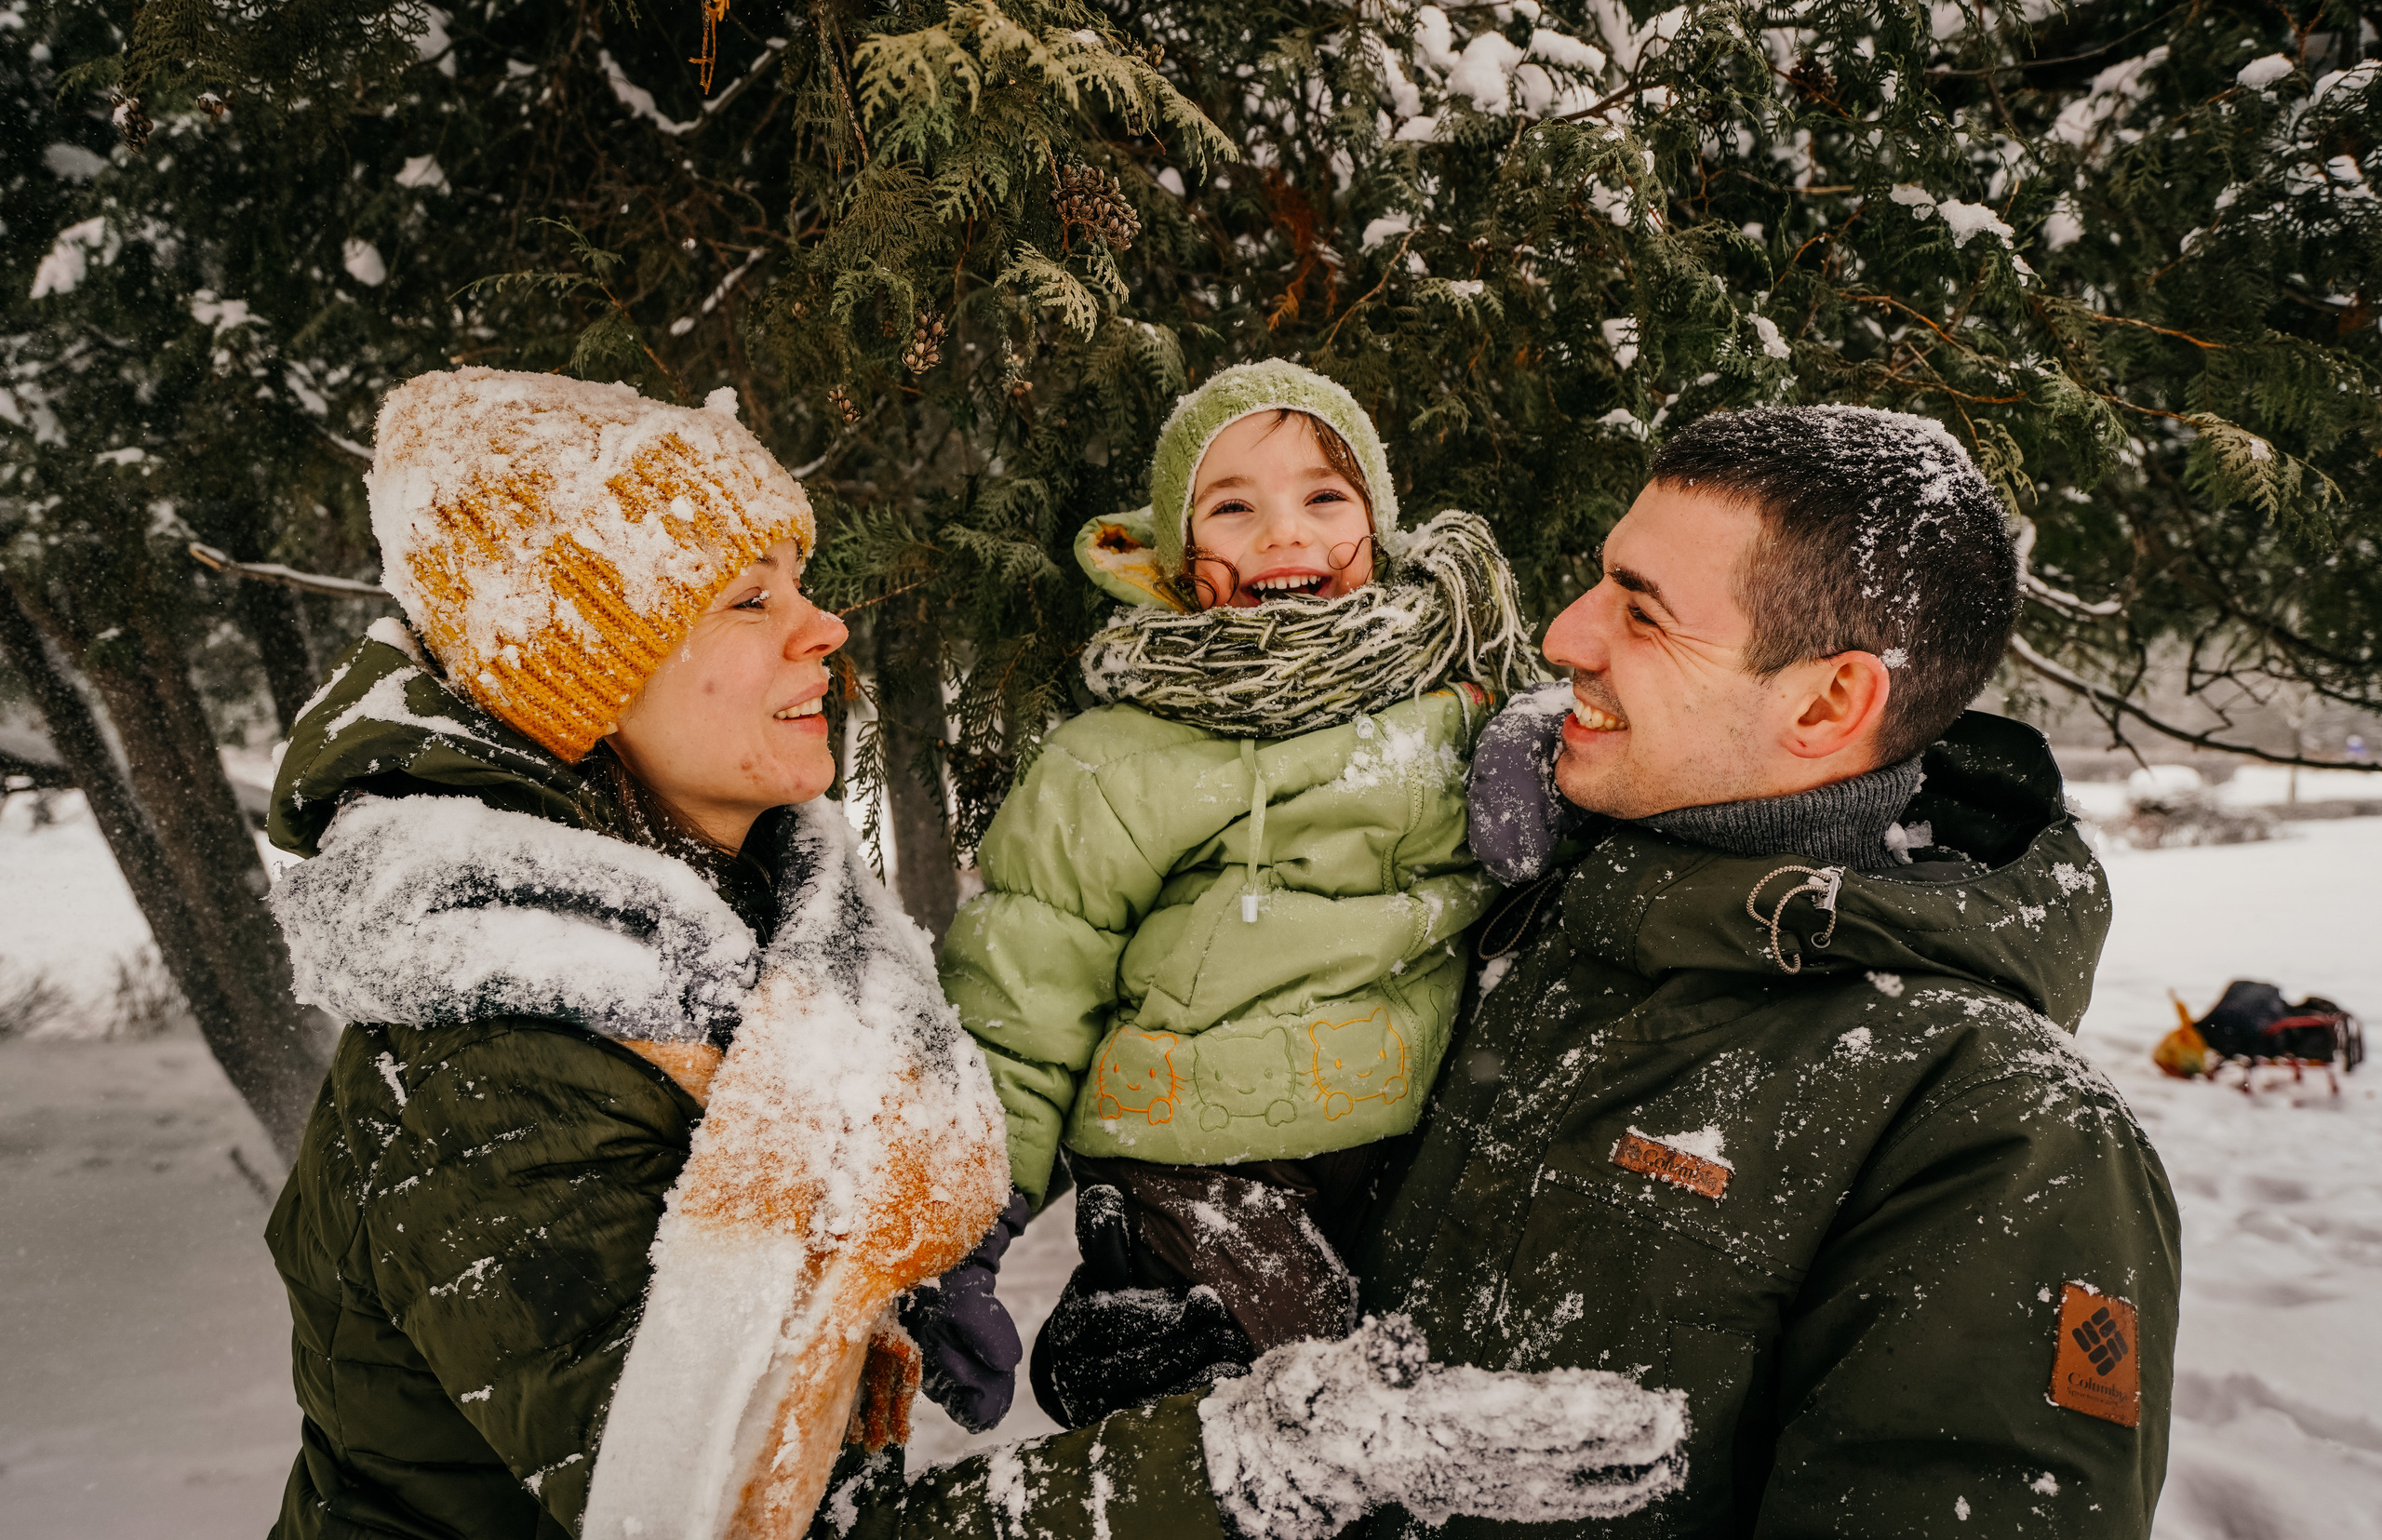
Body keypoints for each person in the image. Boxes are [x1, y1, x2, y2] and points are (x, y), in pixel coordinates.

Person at [812, 404, 2181, 1539]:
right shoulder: (1511, 911)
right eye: (1598, 578)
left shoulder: (1993, 1135)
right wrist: (1201, 1437)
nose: (1562, 635)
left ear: (1828, 703)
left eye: (1641, 615)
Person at [258, 368, 1018, 1539]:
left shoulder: (772, 942)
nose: (825, 626)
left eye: (800, 585)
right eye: (746, 601)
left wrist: (887, 1281)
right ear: (586, 676)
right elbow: (717, 1515)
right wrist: (1208, 1475)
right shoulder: (492, 1066)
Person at [924, 359, 1545, 1432]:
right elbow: (1019, 997)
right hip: (1202, 1157)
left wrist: (1539, 756)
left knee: (1442, 1428)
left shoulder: (1463, 702)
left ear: (1378, 525)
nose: (1283, 534)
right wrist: (962, 1231)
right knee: (1286, 1434)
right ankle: (1160, 1356)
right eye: (1232, 506)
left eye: (1323, 497)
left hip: (1417, 1133)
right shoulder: (1116, 757)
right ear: (1175, 551)